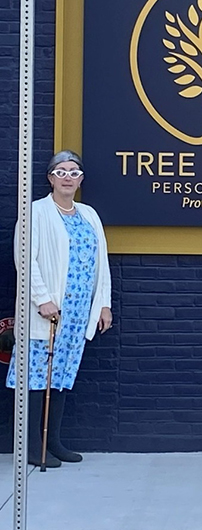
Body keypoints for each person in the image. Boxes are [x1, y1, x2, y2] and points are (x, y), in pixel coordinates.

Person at [6, 151, 113, 468]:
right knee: (36, 378)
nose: (68, 177)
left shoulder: (89, 215)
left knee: (61, 377)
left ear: (81, 180)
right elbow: (25, 258)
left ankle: (53, 441)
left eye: (74, 172)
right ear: (50, 178)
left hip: (78, 313)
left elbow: (100, 264)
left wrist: (103, 304)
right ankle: (30, 446)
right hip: (47, 313)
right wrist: (42, 299)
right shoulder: (36, 212)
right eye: (61, 171)